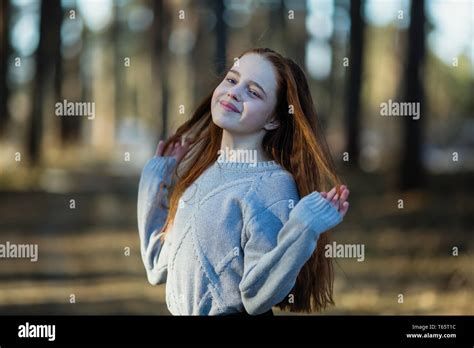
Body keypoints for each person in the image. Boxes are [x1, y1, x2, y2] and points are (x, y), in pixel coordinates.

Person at [137, 47, 350, 315]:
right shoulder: (204, 172)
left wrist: (303, 228)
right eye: (232, 79)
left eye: (254, 92)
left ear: (273, 119)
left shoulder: (273, 185)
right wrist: (155, 179)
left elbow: (256, 296)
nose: (234, 92)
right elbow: (157, 265)